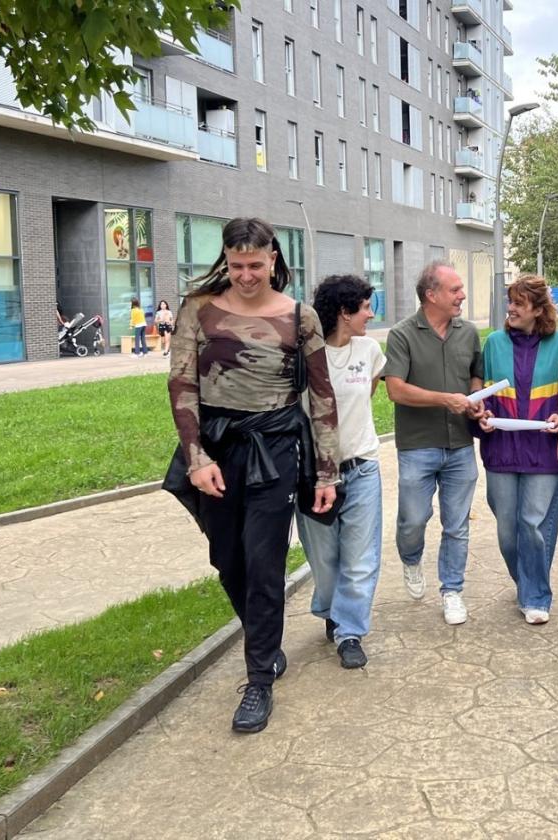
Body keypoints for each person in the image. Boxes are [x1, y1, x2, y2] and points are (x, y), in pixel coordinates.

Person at [166, 217, 340, 733]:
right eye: (237, 265)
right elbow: (181, 385)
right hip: (217, 449)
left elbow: (322, 397)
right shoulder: (197, 310)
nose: (245, 275)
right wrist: (197, 459)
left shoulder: (299, 316)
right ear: (226, 259)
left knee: (264, 562)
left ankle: (258, 677)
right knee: (228, 559)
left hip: (276, 448)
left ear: (273, 261)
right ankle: (263, 641)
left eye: (255, 265)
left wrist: (327, 473)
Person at [383, 261, 486, 625]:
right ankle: (411, 561)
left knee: (457, 524)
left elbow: (476, 374)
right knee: (413, 519)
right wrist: (447, 399)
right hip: (417, 446)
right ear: (431, 295)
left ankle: (452, 590)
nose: (462, 295)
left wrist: (476, 399)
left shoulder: (468, 332)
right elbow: (395, 389)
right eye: (455, 289)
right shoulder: (401, 334)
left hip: (460, 444)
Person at [296, 275, 386, 669]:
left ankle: (350, 631)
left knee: (361, 559)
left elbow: (369, 391)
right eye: (365, 307)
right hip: (313, 475)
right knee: (325, 559)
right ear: (344, 313)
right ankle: (330, 607)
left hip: (362, 466)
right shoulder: (303, 355)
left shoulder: (369, 349)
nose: (371, 313)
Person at [475, 275, 558, 625]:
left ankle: (535, 596)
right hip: (501, 448)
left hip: (544, 450)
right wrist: (482, 417)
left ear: (537, 308)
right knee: (507, 531)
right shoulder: (494, 344)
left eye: (519, 302)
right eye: (510, 302)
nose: (511, 308)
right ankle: (528, 582)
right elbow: (483, 397)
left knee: (532, 523)